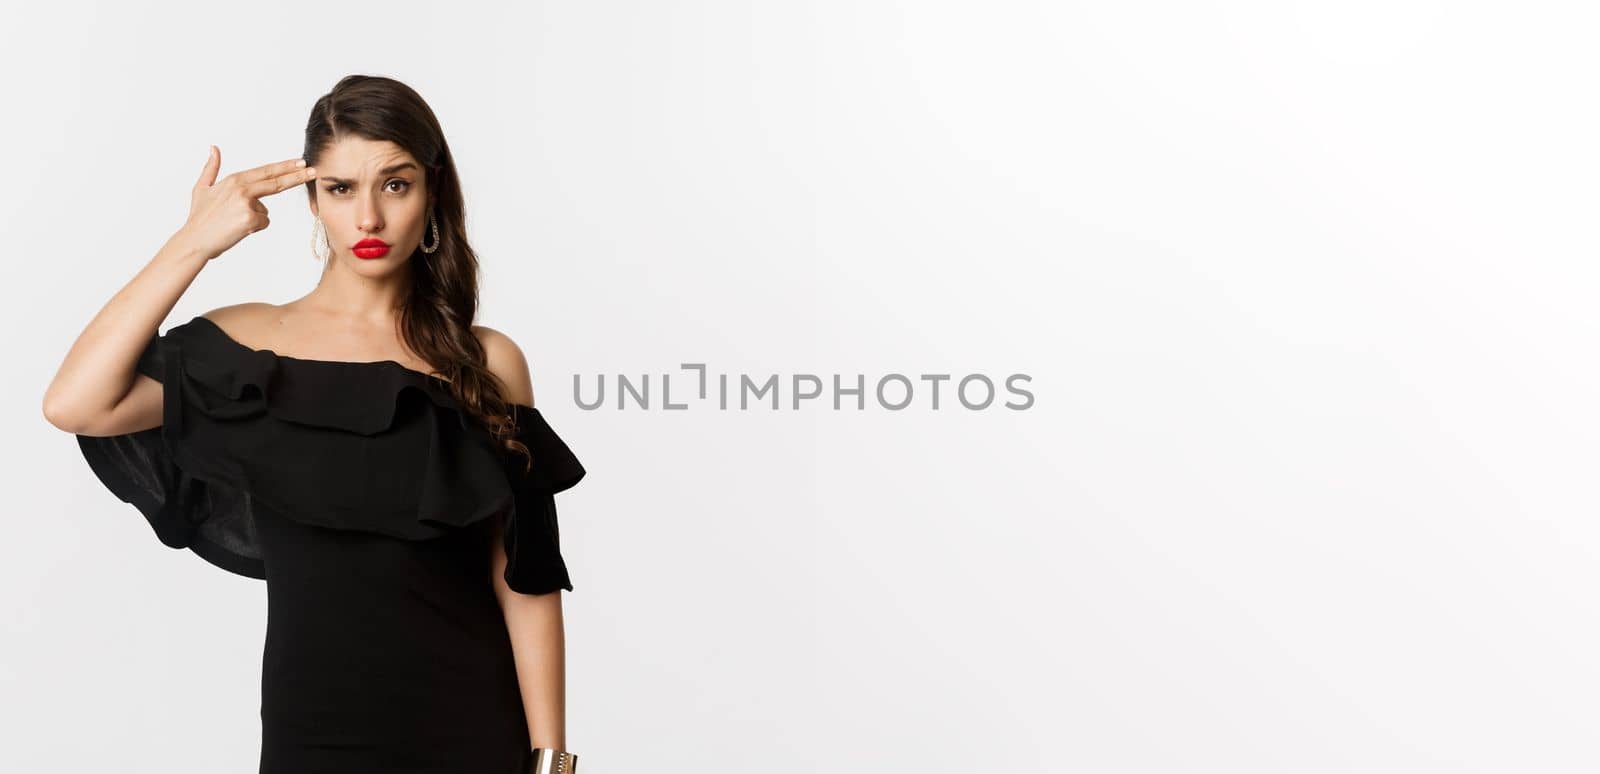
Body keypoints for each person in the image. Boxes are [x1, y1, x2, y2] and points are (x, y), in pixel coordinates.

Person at [41, 74, 585, 774]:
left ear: (432, 192)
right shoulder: (247, 353)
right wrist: (193, 244)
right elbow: (77, 403)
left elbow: (524, 574)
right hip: (313, 736)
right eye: (340, 189)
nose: (368, 219)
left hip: (473, 731)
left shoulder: (485, 360)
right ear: (311, 199)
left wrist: (550, 760)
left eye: (395, 184)